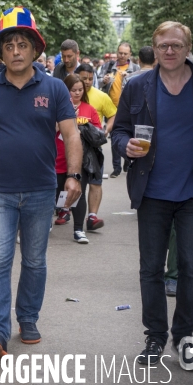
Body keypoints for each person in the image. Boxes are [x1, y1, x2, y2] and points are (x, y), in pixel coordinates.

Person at [0, 6, 82, 356]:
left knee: (34, 260)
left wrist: (73, 176)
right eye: (9, 44)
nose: (16, 50)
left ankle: (27, 318)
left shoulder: (56, 88)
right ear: (0, 52)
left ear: (35, 50)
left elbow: (71, 135)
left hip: (42, 191)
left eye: (22, 44)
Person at [111, 21, 193, 366]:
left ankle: (183, 337)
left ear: (187, 48)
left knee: (190, 268)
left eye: (176, 45)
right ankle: (154, 337)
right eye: (164, 45)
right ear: (154, 46)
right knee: (150, 268)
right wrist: (126, 146)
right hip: (152, 191)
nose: (170, 51)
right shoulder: (138, 87)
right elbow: (118, 131)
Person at [54, 74, 103, 243]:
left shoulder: (89, 109)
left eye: (80, 90)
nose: (77, 93)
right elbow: (48, 131)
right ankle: (50, 219)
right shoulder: (57, 107)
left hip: (80, 159)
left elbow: (99, 134)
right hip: (58, 156)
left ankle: (78, 229)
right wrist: (64, 122)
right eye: (73, 90)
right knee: (55, 192)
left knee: (78, 193)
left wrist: (81, 128)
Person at [74, 63, 117, 229]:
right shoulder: (67, 96)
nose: (87, 82)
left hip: (93, 149)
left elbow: (113, 115)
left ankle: (92, 217)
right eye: (84, 78)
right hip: (72, 149)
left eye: (90, 78)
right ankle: (66, 211)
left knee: (96, 182)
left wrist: (105, 131)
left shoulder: (101, 96)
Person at [101, 42, 140, 177]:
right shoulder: (108, 66)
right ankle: (116, 167)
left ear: (130, 54)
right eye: (120, 53)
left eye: (125, 53)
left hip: (129, 107)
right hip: (111, 108)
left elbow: (139, 86)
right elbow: (98, 81)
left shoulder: (135, 68)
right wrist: (104, 80)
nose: (122, 56)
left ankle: (127, 161)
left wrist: (127, 78)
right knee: (115, 136)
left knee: (130, 134)